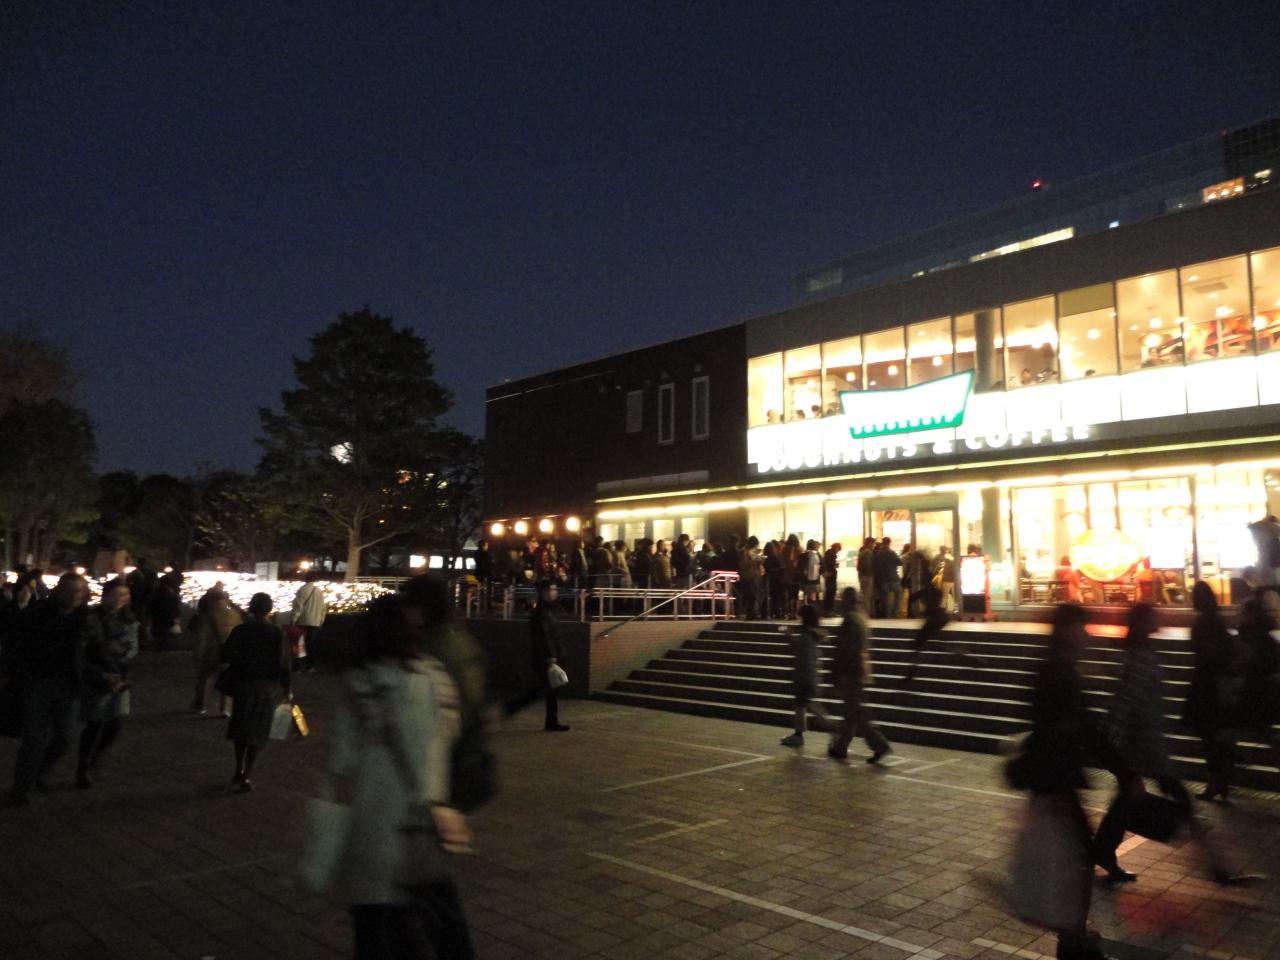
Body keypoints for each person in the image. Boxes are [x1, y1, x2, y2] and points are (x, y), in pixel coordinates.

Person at [329, 593, 475, 959]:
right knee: (443, 927)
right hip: (421, 820)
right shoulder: (433, 676)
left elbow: (340, 759)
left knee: (373, 929)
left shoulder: (358, 679)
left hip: (370, 821)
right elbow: (448, 736)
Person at [1008, 604, 1137, 960]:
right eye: (1082, 628)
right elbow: (1086, 728)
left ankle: (1074, 938)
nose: (1086, 635)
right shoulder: (1061, 672)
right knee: (1077, 860)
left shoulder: (1049, 667)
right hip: (1057, 780)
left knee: (1072, 858)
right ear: (1067, 630)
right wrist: (1123, 771)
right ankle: (1073, 942)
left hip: (1050, 780)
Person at [1090, 604, 1193, 882]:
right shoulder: (1140, 657)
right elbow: (1125, 701)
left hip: (1143, 741)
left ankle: (1102, 851)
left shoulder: (1139, 653)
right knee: (1178, 798)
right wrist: (1110, 744)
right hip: (1144, 744)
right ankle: (1212, 863)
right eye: (1153, 615)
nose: (1159, 617)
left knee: (1125, 800)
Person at [7, 573, 100, 805]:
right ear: (58, 591)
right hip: (37, 682)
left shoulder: (86, 617)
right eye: (70, 591)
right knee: (33, 739)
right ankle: (22, 787)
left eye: (79, 592)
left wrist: (106, 672)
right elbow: (15, 639)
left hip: (68, 685)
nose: (75, 596)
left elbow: (96, 649)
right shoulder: (38, 612)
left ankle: (40, 771)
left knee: (66, 737)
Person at [222, 592, 291, 792]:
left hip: (243, 683)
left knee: (241, 726)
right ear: (269, 609)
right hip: (266, 687)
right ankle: (248, 774)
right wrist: (287, 687)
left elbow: (226, 653)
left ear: (251, 607)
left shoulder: (241, 630)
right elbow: (283, 663)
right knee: (259, 729)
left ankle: (238, 768)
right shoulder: (276, 633)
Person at [77, 581, 139, 787]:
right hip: (98, 675)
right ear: (105, 596)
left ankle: (96, 759)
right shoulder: (93, 617)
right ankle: (83, 768)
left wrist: (120, 655)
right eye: (116, 594)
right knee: (95, 723)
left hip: (120, 674)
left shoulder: (128, 619)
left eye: (124, 594)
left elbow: (132, 647)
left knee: (114, 723)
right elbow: (89, 647)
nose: (120, 599)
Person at [828, 588, 891, 763]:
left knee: (857, 711)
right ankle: (841, 747)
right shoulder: (861, 617)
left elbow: (845, 649)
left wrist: (836, 671)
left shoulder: (850, 620)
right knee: (852, 711)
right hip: (860, 668)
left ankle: (880, 744)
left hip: (851, 670)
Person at [1183, 582, 1234, 801]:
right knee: (1214, 735)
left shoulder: (1204, 624)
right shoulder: (1216, 622)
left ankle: (1216, 779)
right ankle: (1221, 779)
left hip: (1206, 685)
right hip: (1213, 684)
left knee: (1208, 735)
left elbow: (1203, 653)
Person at [507, 580, 570, 732]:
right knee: (540, 691)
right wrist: (550, 656)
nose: (555, 592)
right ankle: (509, 709)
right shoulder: (540, 612)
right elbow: (544, 635)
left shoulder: (547, 610)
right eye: (552, 589)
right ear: (544, 592)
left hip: (546, 657)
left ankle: (550, 721)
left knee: (546, 690)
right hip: (545, 658)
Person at [779, 605, 835, 747]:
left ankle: (834, 728)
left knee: (810, 705)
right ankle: (798, 735)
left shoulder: (807, 635)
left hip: (806, 676)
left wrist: (788, 636)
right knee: (801, 705)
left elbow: (804, 654)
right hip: (807, 675)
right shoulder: (810, 633)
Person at [190, 590, 242, 714]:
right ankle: (226, 708)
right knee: (228, 678)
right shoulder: (234, 613)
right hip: (229, 652)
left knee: (206, 678)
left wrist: (198, 654)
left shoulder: (207, 615)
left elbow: (202, 637)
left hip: (212, 651)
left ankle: (201, 705)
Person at [291, 572, 327, 672]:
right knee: (311, 645)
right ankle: (310, 666)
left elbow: (298, 607)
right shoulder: (319, 591)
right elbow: (323, 608)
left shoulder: (302, 590)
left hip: (302, 621)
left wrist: (293, 619)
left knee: (298, 644)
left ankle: (297, 666)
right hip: (315, 622)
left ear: (305, 579)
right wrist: (321, 620)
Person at [148, 570, 184, 653]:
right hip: (165, 614)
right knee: (164, 632)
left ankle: (160, 647)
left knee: (160, 632)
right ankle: (163, 647)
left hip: (159, 614)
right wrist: (175, 615)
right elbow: (172, 604)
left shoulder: (158, 590)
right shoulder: (169, 591)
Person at [872, 538, 902, 620]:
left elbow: (874, 566)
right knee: (898, 594)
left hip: (883, 579)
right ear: (889, 543)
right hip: (893, 578)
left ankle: (887, 615)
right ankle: (895, 613)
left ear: (882, 543)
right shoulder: (891, 553)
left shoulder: (878, 554)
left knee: (885, 599)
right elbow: (900, 562)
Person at [857, 537, 876, 617]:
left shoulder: (863, 552)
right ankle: (867, 613)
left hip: (863, 576)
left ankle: (868, 612)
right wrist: (870, 574)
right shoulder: (867, 553)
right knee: (867, 596)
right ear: (869, 543)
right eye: (873, 543)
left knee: (866, 595)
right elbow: (867, 566)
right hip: (867, 576)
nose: (874, 545)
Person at [821, 542, 842, 615]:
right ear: (836, 548)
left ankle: (827, 610)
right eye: (838, 550)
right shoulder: (831, 554)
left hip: (830, 576)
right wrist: (834, 566)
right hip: (831, 576)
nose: (838, 551)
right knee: (830, 593)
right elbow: (830, 565)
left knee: (829, 592)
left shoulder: (829, 553)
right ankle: (829, 610)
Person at [934, 546, 957, 612]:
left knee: (944, 597)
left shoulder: (939, 558)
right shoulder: (953, 559)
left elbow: (937, 568)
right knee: (956, 597)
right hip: (953, 580)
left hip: (946, 579)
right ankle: (956, 610)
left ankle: (942, 611)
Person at [802, 539, 823, 606]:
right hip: (816, 578)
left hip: (806, 578)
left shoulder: (805, 554)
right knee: (814, 594)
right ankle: (813, 606)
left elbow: (802, 566)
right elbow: (822, 565)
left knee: (806, 594)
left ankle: (806, 605)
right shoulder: (818, 554)